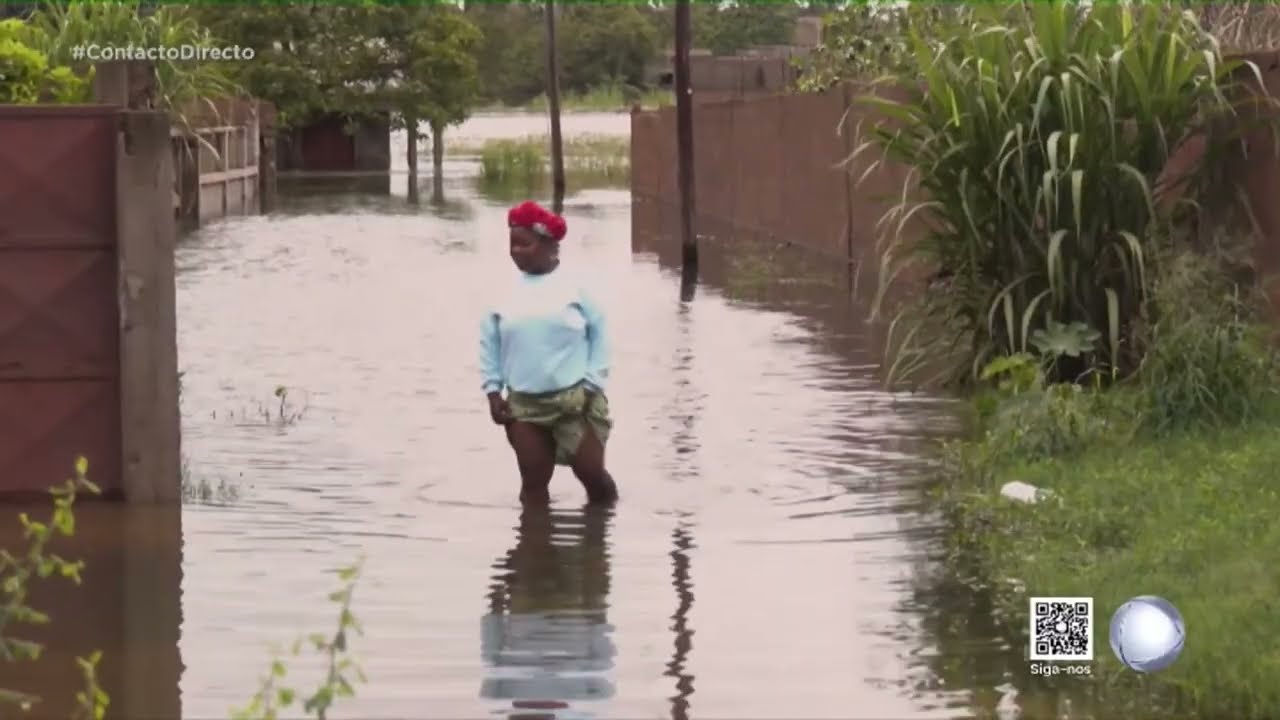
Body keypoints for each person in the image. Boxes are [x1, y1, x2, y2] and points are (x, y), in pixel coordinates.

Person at [479, 200, 619, 505]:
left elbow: (601, 335)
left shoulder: (577, 287)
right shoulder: (502, 293)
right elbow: (489, 344)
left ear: (548, 245)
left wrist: (593, 384)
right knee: (533, 483)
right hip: (525, 407)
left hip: (576, 402)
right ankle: (534, 547)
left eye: (524, 244)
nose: (516, 251)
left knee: (592, 475)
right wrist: (493, 392)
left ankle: (601, 536)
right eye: (512, 244)